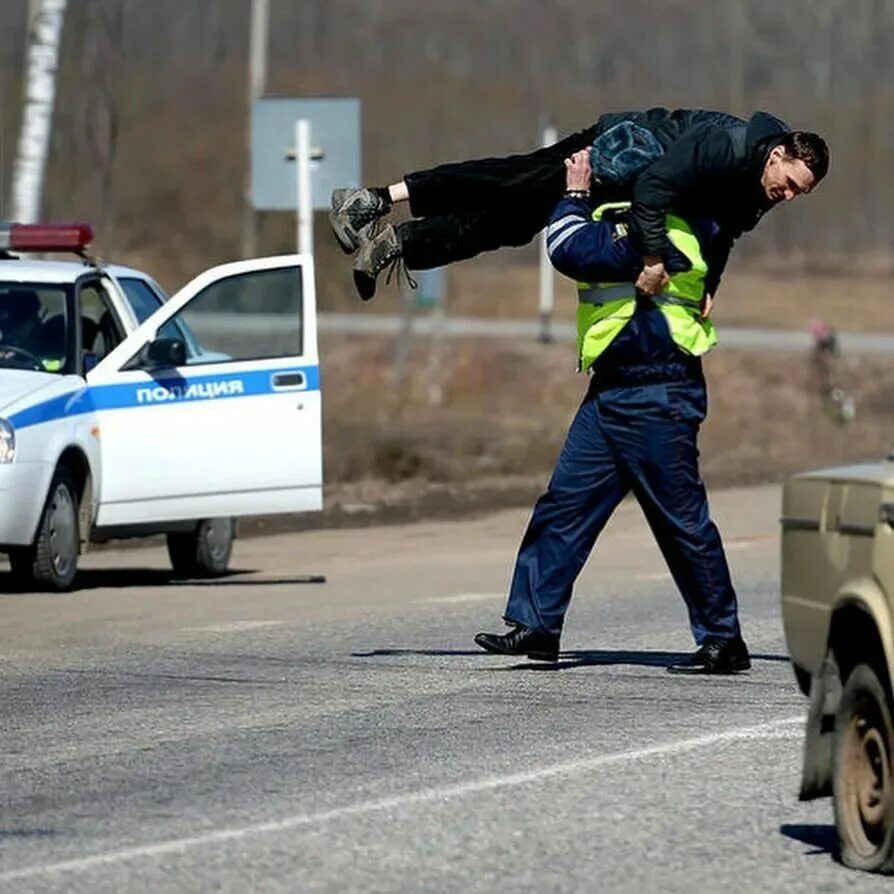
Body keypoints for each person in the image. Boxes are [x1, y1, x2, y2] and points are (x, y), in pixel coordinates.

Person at [473, 148, 754, 674]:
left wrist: (573, 194)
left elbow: (569, 250)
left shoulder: (661, 230)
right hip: (611, 390)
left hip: (659, 391)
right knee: (564, 506)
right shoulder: (663, 221)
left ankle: (723, 639)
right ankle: (537, 624)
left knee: (681, 523)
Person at [330, 108, 828, 301]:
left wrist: (708, 288)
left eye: (798, 194)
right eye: (789, 183)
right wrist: (654, 259)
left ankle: (397, 244)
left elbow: (723, 234)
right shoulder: (727, 147)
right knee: (512, 184)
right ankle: (374, 199)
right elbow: (654, 190)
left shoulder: (760, 186)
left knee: (508, 225)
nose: (787, 196)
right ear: (777, 156)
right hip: (612, 152)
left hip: (624, 184)